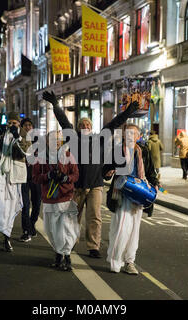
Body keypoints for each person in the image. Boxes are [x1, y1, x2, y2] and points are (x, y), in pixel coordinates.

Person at [43, 90, 140, 259]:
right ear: (78, 129)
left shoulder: (99, 139)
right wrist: (55, 105)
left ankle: (93, 246)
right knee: (73, 217)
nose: (85, 127)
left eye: (88, 125)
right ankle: (70, 242)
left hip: (95, 185)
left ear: (92, 128)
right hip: (76, 186)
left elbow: (114, 123)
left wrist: (128, 112)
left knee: (95, 218)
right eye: (82, 125)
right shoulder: (72, 139)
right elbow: (64, 121)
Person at [103, 123, 160, 274]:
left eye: (133, 134)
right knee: (122, 228)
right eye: (127, 133)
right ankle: (116, 261)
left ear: (138, 136)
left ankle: (129, 261)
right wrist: (109, 172)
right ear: (123, 135)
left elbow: (150, 172)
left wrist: (155, 185)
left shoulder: (144, 151)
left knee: (134, 230)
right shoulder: (117, 151)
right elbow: (105, 170)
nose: (130, 136)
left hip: (139, 193)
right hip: (122, 193)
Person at [33, 130, 79, 271]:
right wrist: (48, 175)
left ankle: (66, 256)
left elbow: (75, 174)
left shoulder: (68, 155)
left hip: (65, 197)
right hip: (49, 199)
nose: (56, 142)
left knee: (65, 229)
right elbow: (35, 178)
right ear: (47, 141)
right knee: (50, 230)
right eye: (53, 139)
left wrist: (66, 178)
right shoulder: (40, 158)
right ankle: (58, 252)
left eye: (58, 140)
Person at [0, 111, 29, 252]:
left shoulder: (24, 135)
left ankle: (6, 237)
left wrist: (18, 137)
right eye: (9, 123)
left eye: (14, 123)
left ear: (18, 124)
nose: (11, 125)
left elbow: (26, 152)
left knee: (10, 205)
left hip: (14, 175)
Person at [19, 118, 42, 242]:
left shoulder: (40, 141)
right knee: (25, 204)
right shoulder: (19, 140)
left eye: (30, 125)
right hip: (22, 176)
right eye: (25, 125)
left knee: (37, 203)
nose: (28, 127)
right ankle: (26, 230)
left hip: (37, 177)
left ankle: (32, 223)